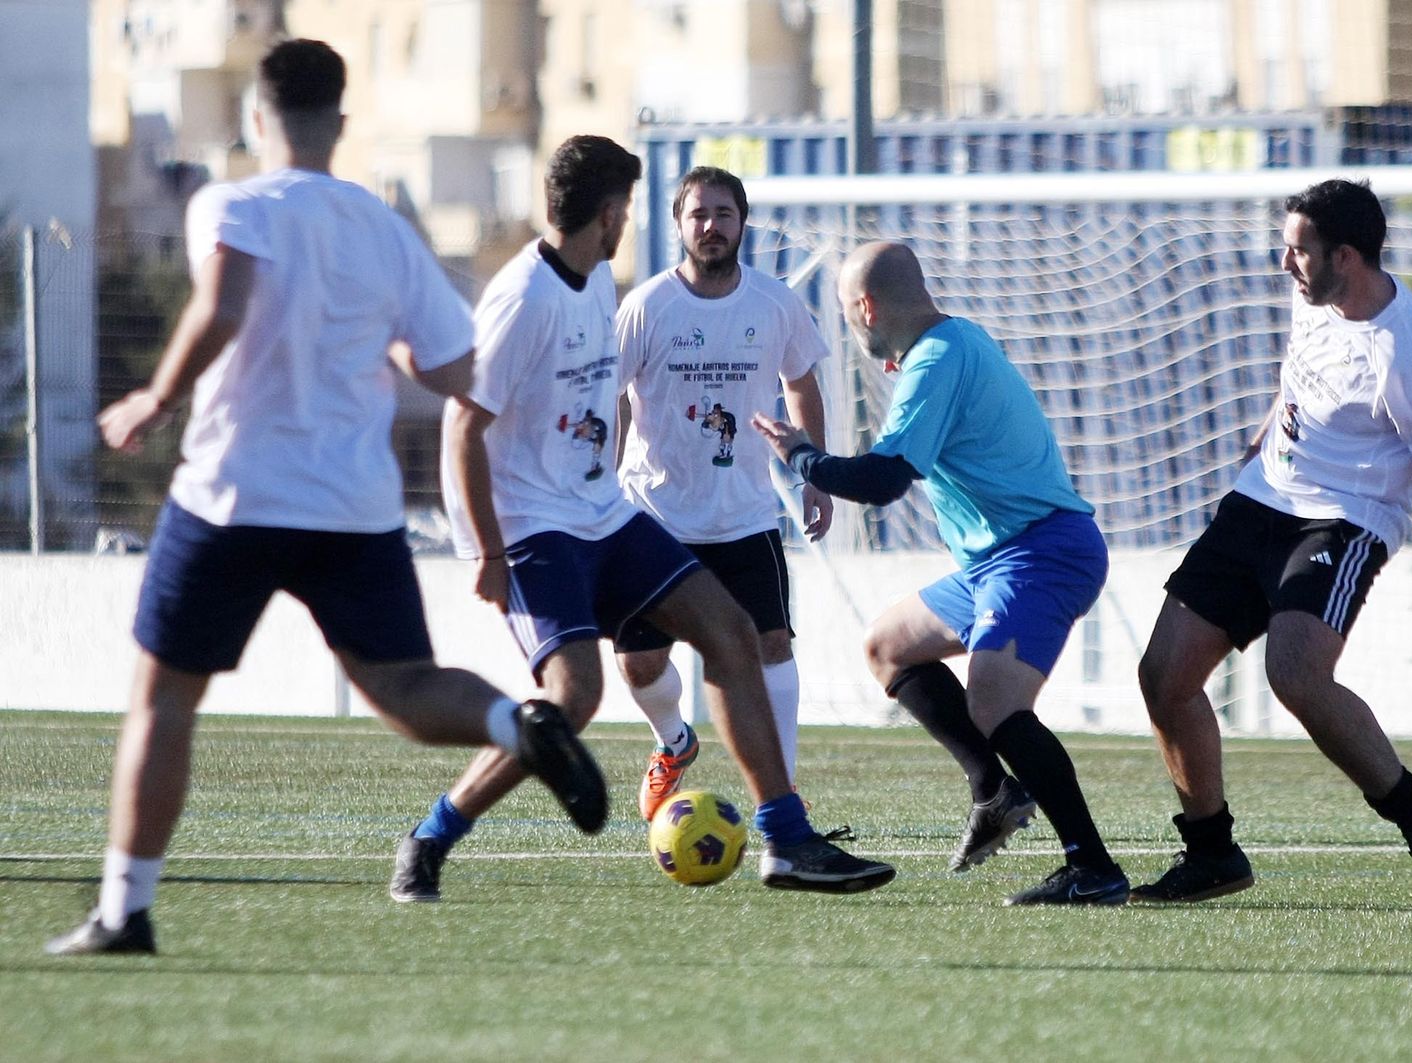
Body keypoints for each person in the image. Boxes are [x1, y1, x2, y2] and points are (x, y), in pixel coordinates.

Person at [45, 40, 605, 957]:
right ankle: (519, 720)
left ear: (255, 119)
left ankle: (125, 909)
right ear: (341, 124)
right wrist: (385, 344)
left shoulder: (232, 199)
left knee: (162, 699)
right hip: (353, 504)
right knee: (403, 690)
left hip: (234, 494)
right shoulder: (383, 228)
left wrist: (156, 394)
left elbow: (223, 307)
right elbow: (455, 368)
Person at [388, 140, 893, 902]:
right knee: (574, 698)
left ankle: (788, 841)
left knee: (730, 632)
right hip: (537, 529)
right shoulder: (524, 298)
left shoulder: (595, 281)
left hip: (607, 514)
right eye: (627, 206)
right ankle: (431, 837)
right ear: (609, 210)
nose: (630, 219)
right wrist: (485, 550)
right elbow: (464, 424)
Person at [1132, 178, 1412, 909]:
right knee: (1163, 674)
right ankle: (1211, 853)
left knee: (1293, 673)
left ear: (1347, 257)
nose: (1284, 264)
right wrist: (1270, 430)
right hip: (1261, 499)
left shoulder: (1406, 353)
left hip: (1344, 520)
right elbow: (1302, 368)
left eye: (1298, 251)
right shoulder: (1316, 294)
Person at [752, 241, 1129, 907]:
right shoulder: (951, 344)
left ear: (866, 307)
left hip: (1044, 549)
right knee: (888, 644)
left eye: (846, 315)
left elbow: (885, 480)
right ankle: (994, 789)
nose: (850, 327)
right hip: (996, 560)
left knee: (996, 702)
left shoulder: (938, 360)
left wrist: (802, 456)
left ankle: (1093, 866)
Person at [612, 166, 834, 821]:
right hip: (653, 517)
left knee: (772, 647)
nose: (711, 226)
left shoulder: (774, 303)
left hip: (744, 517)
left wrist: (813, 471)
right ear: (679, 225)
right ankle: (674, 742)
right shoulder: (647, 306)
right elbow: (611, 396)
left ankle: (785, 789)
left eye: (724, 214)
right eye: (698, 215)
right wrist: (594, 483)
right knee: (640, 662)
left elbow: (801, 384)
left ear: (742, 223)